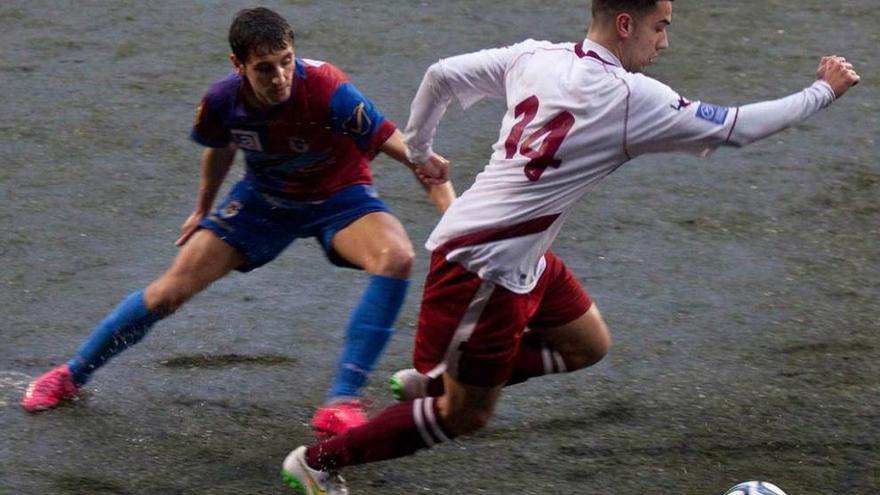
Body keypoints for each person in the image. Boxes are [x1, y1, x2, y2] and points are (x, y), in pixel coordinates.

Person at [278, 0, 861, 492]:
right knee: (468, 415)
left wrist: (423, 149)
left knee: (587, 344)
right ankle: (318, 464)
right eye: (661, 26)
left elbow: (441, 75)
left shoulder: (537, 55)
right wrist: (822, 90)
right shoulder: (633, 97)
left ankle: (436, 378)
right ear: (626, 24)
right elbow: (739, 126)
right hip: (486, 267)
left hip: (522, 255)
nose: (665, 41)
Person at [21, 7, 455, 438]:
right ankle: (70, 376)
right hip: (262, 203)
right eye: (265, 68)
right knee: (167, 294)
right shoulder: (222, 100)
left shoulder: (329, 89)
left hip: (340, 199)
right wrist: (202, 207)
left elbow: (420, 161)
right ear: (239, 65)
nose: (280, 76)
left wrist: (456, 222)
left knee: (397, 257)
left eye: (286, 61)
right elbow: (220, 147)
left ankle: (341, 401)